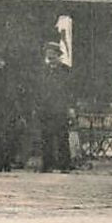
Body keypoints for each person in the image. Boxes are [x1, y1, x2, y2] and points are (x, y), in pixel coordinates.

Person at [38, 42, 75, 173]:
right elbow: (40, 89)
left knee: (62, 137)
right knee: (46, 137)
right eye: (48, 56)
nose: (51, 58)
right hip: (46, 108)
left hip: (60, 108)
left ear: (58, 56)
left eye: (53, 56)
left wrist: (70, 107)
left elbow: (70, 90)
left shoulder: (66, 71)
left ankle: (64, 164)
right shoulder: (43, 71)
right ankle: (47, 164)